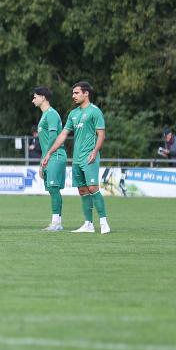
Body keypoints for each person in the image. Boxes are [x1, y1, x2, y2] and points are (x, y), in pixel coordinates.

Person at [41, 81, 110, 235]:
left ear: (86, 93)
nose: (73, 96)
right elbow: (63, 135)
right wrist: (50, 152)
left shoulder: (95, 111)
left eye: (76, 93)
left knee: (93, 188)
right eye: (73, 93)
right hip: (77, 159)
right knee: (83, 190)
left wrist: (95, 151)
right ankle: (88, 224)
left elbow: (101, 134)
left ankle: (104, 222)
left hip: (90, 157)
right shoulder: (73, 114)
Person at [32, 87, 67, 231]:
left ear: (43, 97)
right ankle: (56, 222)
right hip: (49, 156)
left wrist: (46, 157)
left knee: (54, 188)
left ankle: (57, 223)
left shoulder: (51, 114)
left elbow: (53, 137)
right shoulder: (44, 115)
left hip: (56, 155)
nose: (33, 100)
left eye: (35, 97)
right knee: (52, 190)